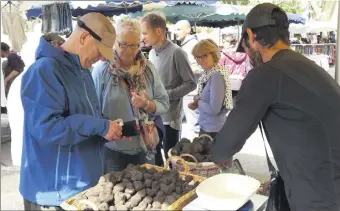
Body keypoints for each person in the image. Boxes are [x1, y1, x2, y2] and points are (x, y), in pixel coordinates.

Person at [210, 3, 340, 210]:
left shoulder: (265, 74)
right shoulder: (309, 67)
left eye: (244, 47)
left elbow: (225, 146)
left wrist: (211, 156)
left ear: (251, 36)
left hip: (320, 194)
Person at [20, 13, 125, 210]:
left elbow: (85, 119)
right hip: (54, 193)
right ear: (84, 38)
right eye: (100, 50)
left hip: (83, 187)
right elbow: (47, 128)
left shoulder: (83, 71)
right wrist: (99, 126)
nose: (102, 57)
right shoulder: (44, 70)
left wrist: (107, 130)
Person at [92, 16, 169, 173]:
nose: (129, 51)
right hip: (113, 152)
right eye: (123, 45)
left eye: (134, 46)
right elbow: (91, 111)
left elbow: (164, 103)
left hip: (146, 149)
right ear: (115, 42)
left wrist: (147, 104)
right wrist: (107, 128)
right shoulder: (102, 70)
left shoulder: (148, 69)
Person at [140, 13, 197, 166]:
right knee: (155, 157)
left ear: (158, 31)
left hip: (170, 117)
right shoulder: (151, 53)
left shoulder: (177, 52)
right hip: (153, 116)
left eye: (145, 33)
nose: (142, 37)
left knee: (172, 159)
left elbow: (191, 83)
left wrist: (167, 95)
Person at [188, 39, 233, 138]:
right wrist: (197, 103)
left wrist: (198, 101)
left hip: (213, 131)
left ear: (214, 54)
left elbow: (214, 110)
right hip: (208, 127)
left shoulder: (216, 75)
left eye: (204, 56)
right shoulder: (208, 73)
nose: (200, 60)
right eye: (198, 57)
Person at [174, 20, 200, 138]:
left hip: (191, 90)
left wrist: (182, 71)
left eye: (179, 29)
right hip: (187, 90)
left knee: (194, 126)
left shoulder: (193, 45)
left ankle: (199, 153)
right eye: (175, 29)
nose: (175, 32)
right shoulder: (184, 45)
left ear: (188, 30)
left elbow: (200, 67)